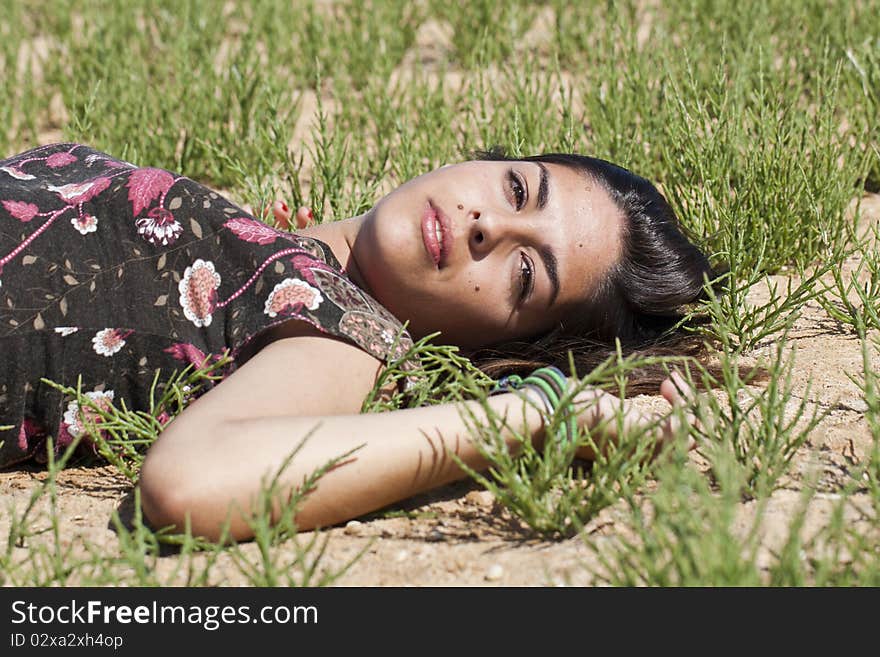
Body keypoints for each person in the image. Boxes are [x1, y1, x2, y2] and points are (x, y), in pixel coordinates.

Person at [0, 143, 713, 541]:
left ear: (512, 340)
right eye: (518, 190)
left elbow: (188, 483)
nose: (488, 226)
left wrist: (533, 414)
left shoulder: (345, 334)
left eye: (524, 275)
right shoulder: (268, 245)